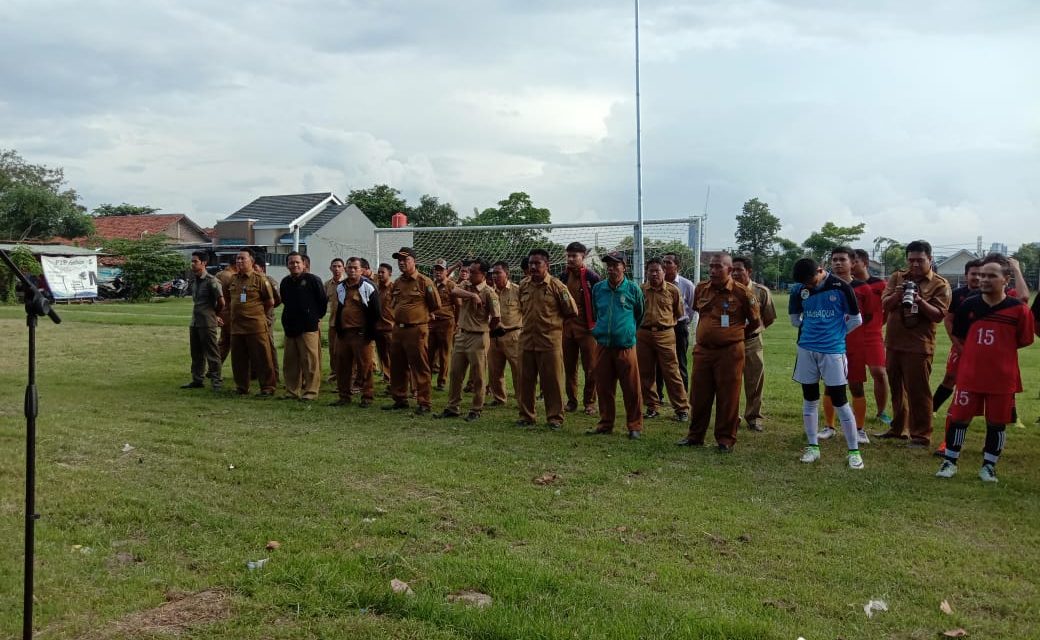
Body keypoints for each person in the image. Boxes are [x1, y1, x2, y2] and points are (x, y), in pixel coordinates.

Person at [935, 258, 1035, 482]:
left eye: (991, 276)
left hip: (1002, 377)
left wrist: (999, 350)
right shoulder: (969, 305)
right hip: (970, 375)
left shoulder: (1018, 309)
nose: (984, 280)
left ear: (1005, 280)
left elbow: (1025, 339)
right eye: (981, 275)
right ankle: (949, 461)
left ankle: (989, 466)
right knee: (959, 419)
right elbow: (959, 334)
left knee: (996, 423)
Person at [677, 253, 761, 452]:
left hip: (730, 353)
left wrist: (735, 336)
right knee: (699, 395)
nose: (713, 271)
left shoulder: (742, 293)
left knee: (728, 396)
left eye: (718, 267)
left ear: (729, 270)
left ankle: (725, 439)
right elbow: (699, 311)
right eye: (711, 267)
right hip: (703, 352)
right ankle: (695, 436)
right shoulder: (701, 289)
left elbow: (756, 322)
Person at [788, 257, 865, 469]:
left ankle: (854, 452)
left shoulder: (841, 287)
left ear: (821, 270)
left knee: (840, 400)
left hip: (833, 351)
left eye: (812, 281)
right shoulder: (798, 290)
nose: (810, 286)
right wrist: (811, 328)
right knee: (809, 397)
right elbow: (795, 319)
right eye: (806, 284)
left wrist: (835, 333)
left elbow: (856, 319)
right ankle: (813, 447)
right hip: (806, 349)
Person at [876, 240, 952, 448]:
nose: (915, 265)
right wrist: (899, 294)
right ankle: (898, 428)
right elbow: (885, 304)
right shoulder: (897, 277)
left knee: (918, 392)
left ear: (930, 259)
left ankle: (921, 435)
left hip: (919, 346)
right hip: (893, 343)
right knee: (897, 389)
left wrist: (919, 300)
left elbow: (938, 315)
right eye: (911, 260)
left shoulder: (940, 284)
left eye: (920, 260)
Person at [517, 248, 578, 429]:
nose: (533, 267)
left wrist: (555, 327)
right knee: (525, 381)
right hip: (527, 340)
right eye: (531, 264)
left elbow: (571, 311)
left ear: (547, 265)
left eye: (537, 263)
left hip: (549, 342)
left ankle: (555, 417)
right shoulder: (523, 285)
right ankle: (527, 416)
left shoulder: (557, 286)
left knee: (552, 382)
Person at [586, 252, 644, 439]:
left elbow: (639, 314)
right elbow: (596, 313)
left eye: (615, 265)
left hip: (625, 346)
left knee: (632, 388)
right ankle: (605, 423)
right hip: (603, 345)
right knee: (604, 387)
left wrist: (626, 331)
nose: (611, 268)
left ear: (624, 267)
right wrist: (600, 330)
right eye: (608, 265)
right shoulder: (598, 289)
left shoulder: (633, 289)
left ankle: (634, 425)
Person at [435, 259, 501, 421]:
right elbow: (453, 291)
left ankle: (476, 408)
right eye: (469, 271)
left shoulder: (489, 293)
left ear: (483, 275)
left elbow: (496, 318)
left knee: (478, 376)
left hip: (478, 336)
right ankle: (452, 407)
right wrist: (472, 295)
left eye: (473, 272)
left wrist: (487, 331)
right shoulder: (466, 286)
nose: (469, 274)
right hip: (462, 335)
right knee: (456, 373)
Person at [384, 247, 441, 414]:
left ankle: (424, 402)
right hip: (398, 330)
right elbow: (394, 303)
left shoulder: (424, 282)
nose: (401, 262)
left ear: (413, 261)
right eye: (399, 260)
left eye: (405, 259)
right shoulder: (398, 282)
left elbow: (435, 305)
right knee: (397, 365)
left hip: (416, 330)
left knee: (420, 367)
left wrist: (421, 317)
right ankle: (400, 398)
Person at [637, 258, 689, 422]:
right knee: (646, 372)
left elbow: (679, 313)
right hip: (644, 334)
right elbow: (636, 311)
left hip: (665, 334)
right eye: (650, 271)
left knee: (672, 371)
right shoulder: (640, 290)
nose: (654, 274)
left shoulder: (673, 291)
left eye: (657, 271)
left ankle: (681, 409)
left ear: (664, 272)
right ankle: (652, 406)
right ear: (646, 272)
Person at [731, 255, 776, 431]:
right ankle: (732, 416)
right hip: (731, 343)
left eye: (739, 269)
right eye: (732, 269)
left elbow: (769, 317)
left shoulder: (761, 292)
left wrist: (754, 330)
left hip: (752, 342)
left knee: (754, 381)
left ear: (749, 271)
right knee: (730, 381)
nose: (734, 273)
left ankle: (754, 417)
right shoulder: (727, 289)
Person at [331, 257, 382, 407]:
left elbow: (376, 312)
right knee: (342, 366)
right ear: (345, 269)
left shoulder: (368, 286)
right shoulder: (341, 287)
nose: (352, 270)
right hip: (344, 334)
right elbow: (340, 308)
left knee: (365, 366)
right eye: (349, 267)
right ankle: (344, 396)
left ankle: (367, 396)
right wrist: (339, 330)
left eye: (355, 267)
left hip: (361, 334)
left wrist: (370, 334)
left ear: (361, 270)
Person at [225, 248, 276, 396]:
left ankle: (267, 387)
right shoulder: (233, 279)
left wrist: (259, 316)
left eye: (243, 258)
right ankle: (241, 387)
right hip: (236, 327)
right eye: (237, 259)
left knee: (262, 358)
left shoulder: (260, 279)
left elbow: (270, 302)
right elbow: (228, 300)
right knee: (238, 359)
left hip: (256, 326)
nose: (239, 261)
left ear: (252, 261)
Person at [279, 251, 327, 401]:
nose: (294, 265)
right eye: (291, 262)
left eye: (297, 262)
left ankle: (311, 392)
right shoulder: (285, 282)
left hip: (308, 327)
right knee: (290, 362)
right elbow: (285, 301)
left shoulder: (313, 280)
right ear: (287, 265)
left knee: (310, 362)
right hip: (290, 327)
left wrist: (313, 317)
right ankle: (292, 391)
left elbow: (322, 302)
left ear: (304, 264)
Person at [851, 248, 892, 425]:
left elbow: (888, 309)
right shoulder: (847, 286)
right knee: (855, 378)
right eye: (850, 262)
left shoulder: (881, 285)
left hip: (873, 336)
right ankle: (857, 410)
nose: (851, 265)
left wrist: (878, 324)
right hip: (852, 337)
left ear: (866, 263)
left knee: (879, 372)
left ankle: (881, 411)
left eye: (855, 262)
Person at [561, 242, 600, 415]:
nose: (570, 259)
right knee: (569, 367)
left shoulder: (592, 277)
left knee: (591, 367)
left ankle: (590, 402)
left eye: (574, 256)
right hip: (567, 329)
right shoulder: (562, 277)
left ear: (583, 257)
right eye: (568, 255)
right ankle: (572, 400)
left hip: (588, 329)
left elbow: (599, 302)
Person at [183, 250, 224, 391]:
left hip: (207, 323)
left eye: (195, 261)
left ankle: (216, 382)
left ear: (204, 263)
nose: (192, 264)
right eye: (192, 261)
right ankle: (197, 379)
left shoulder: (212, 281)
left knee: (212, 353)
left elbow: (221, 302)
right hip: (195, 322)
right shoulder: (195, 281)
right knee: (196, 353)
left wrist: (214, 315)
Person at [657, 252, 696, 396]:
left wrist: (683, 322)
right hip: (661, 328)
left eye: (668, 262)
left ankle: (682, 396)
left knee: (680, 363)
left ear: (677, 266)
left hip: (679, 327)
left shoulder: (686, 285)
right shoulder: (655, 283)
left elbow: (691, 308)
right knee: (659, 364)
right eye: (664, 262)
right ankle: (658, 396)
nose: (665, 265)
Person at [487, 260, 522, 407]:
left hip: (513, 336)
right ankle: (499, 398)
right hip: (493, 336)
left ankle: (522, 400)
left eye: (498, 272)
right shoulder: (489, 291)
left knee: (518, 370)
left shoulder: (517, 290)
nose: (495, 276)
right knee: (494, 369)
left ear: (507, 273)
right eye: (493, 273)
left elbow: (527, 311)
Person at [429, 259, 457, 391]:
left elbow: (458, 305)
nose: (438, 272)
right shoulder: (431, 285)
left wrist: (457, 323)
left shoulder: (451, 285)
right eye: (436, 269)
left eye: (441, 269)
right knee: (429, 352)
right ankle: (426, 379)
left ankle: (442, 381)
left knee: (444, 353)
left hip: (446, 323)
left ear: (446, 271)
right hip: (432, 323)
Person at [256, 258, 282, 389]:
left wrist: (268, 312)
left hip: (266, 318)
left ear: (262, 269)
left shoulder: (269, 281)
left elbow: (277, 299)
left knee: (269, 346)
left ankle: (275, 374)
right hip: (254, 319)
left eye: (256, 268)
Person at [324, 258, 346, 381]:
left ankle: (347, 373)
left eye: (339, 266)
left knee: (345, 349)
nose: (336, 269)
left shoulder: (348, 283)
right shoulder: (327, 284)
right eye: (334, 266)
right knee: (332, 349)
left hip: (346, 323)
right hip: (333, 322)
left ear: (343, 268)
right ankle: (334, 372)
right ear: (330, 268)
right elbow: (322, 302)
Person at [373, 263, 395, 383]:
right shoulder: (376, 288)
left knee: (394, 356)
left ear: (390, 274)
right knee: (382, 355)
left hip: (390, 327)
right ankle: (387, 377)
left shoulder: (393, 288)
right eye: (379, 272)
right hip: (378, 327)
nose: (380, 274)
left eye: (383, 272)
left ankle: (396, 379)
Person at [215, 261, 237, 362]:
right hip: (229, 312)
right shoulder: (231, 277)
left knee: (224, 342)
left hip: (220, 312)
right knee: (236, 342)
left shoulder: (218, 274)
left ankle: (214, 368)